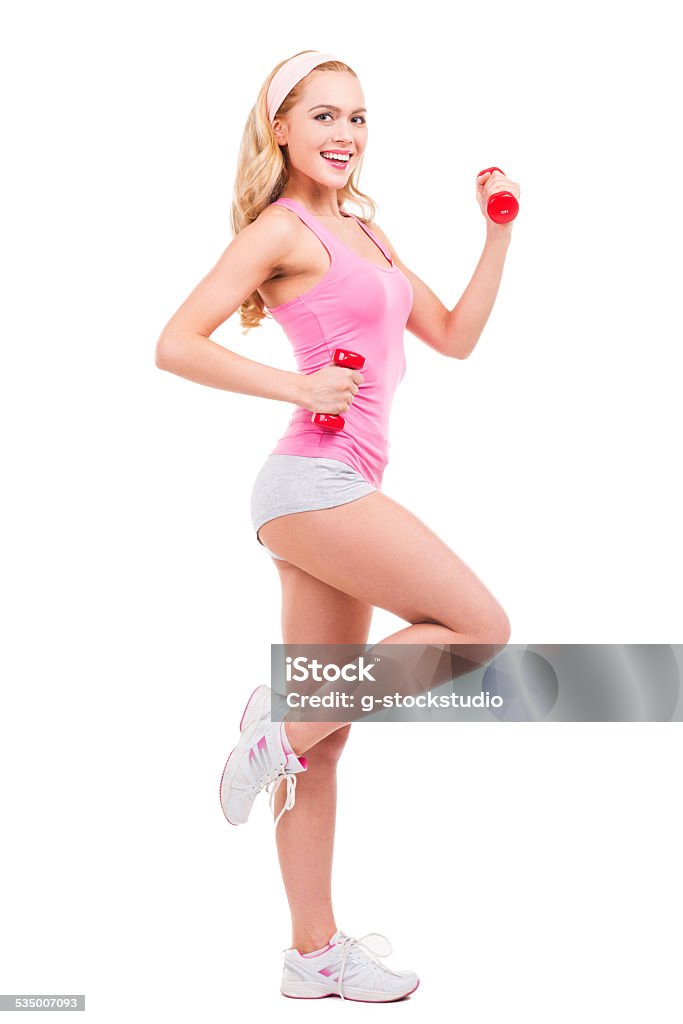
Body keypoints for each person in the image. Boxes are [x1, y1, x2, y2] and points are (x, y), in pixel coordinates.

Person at [155, 48, 519, 1003]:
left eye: (356, 118)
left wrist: (495, 236)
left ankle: (311, 953)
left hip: (330, 490)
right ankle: (273, 724)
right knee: (479, 628)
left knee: (325, 743)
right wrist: (297, 383)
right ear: (279, 129)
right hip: (310, 486)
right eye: (322, 117)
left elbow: (452, 337)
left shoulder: (363, 225)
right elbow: (174, 343)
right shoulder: (278, 232)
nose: (344, 135)